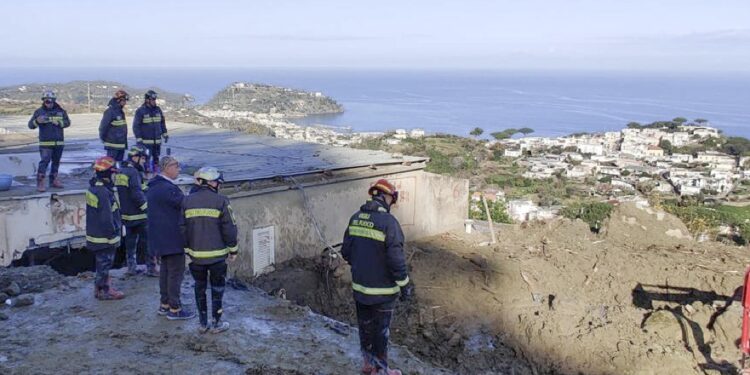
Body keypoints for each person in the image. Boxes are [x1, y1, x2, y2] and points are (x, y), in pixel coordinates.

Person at [341, 179, 414, 375]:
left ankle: (368, 365)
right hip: (383, 293)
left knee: (365, 329)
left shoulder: (355, 218)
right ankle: (381, 370)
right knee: (381, 332)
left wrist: (363, 264)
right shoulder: (389, 223)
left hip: (360, 289)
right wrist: (405, 286)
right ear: (388, 197)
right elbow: (396, 260)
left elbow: (346, 252)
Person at [180, 167, 238, 333]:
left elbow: (182, 228)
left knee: (199, 287)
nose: (218, 184)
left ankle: (203, 323)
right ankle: (217, 323)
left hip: (196, 257)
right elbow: (230, 229)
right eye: (217, 182)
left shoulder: (186, 201)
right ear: (212, 183)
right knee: (217, 289)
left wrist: (187, 251)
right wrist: (233, 250)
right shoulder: (221, 201)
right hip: (218, 257)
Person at [146, 155, 195, 320]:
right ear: (167, 168)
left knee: (166, 272)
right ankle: (175, 309)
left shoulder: (154, 186)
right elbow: (185, 204)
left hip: (160, 238)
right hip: (172, 238)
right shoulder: (168, 189)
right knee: (175, 273)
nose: (179, 169)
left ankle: (164, 304)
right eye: (176, 166)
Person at [86, 156, 125, 300]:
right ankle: (104, 290)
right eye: (113, 173)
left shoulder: (94, 187)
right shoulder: (103, 193)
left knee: (101, 263)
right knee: (105, 264)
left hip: (95, 234)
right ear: (108, 175)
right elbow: (106, 217)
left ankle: (99, 287)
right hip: (104, 237)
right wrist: (113, 235)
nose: (115, 176)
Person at [116, 146, 158, 277]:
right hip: (139, 215)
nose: (144, 162)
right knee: (148, 242)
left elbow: (134, 189)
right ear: (135, 157)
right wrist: (148, 209)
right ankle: (151, 268)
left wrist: (146, 186)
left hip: (127, 215)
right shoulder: (133, 172)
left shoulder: (121, 171)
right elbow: (136, 194)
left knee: (130, 242)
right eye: (143, 158)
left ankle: (131, 267)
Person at [27, 90, 70, 192]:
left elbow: (68, 122)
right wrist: (37, 121)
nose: (48, 103)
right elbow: (30, 126)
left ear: (54, 101)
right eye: (46, 101)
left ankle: (53, 180)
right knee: (44, 162)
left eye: (50, 101)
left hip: (59, 142)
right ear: (43, 101)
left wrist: (59, 123)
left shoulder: (61, 111)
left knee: (56, 162)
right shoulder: (39, 112)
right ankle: (40, 182)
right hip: (46, 144)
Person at [133, 90, 169, 174]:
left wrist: (165, 134)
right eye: (152, 100)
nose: (154, 101)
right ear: (147, 100)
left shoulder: (158, 110)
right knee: (146, 159)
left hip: (157, 141)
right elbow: (136, 126)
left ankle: (156, 173)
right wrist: (138, 138)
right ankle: (146, 174)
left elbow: (162, 122)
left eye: (155, 100)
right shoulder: (141, 111)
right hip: (145, 142)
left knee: (156, 159)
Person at [99, 90, 130, 162]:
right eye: (124, 101)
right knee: (111, 166)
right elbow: (103, 127)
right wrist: (104, 139)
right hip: (113, 146)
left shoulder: (120, 112)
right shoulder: (110, 111)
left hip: (120, 146)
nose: (125, 103)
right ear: (119, 100)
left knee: (118, 167)